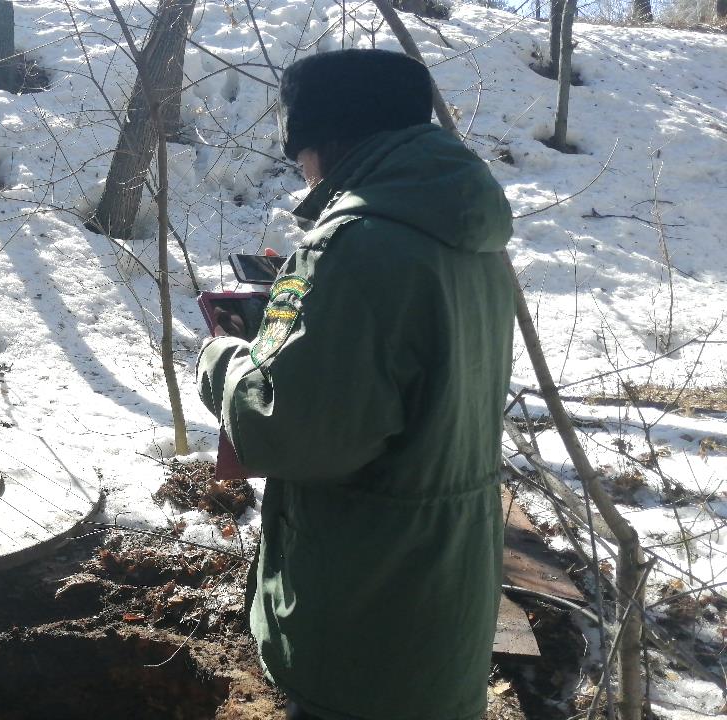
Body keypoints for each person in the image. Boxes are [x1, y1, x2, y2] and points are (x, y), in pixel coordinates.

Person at [196, 49, 515, 720]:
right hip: (444, 611)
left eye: (302, 152)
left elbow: (288, 433)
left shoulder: (354, 244)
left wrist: (224, 357)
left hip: (361, 625)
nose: (302, 170)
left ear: (327, 141)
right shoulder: (469, 236)